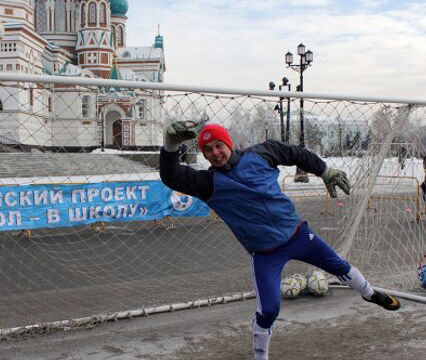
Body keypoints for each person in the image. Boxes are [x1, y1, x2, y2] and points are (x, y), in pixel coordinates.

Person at [160, 121, 401, 360]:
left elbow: (295, 153)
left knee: (339, 265)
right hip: (265, 255)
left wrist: (323, 169)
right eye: (208, 150)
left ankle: (370, 294)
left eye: (218, 145)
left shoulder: (260, 154)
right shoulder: (207, 183)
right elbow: (172, 176)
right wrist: (170, 146)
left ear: (229, 143)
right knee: (269, 310)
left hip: (298, 236)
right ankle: (260, 356)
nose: (215, 152)